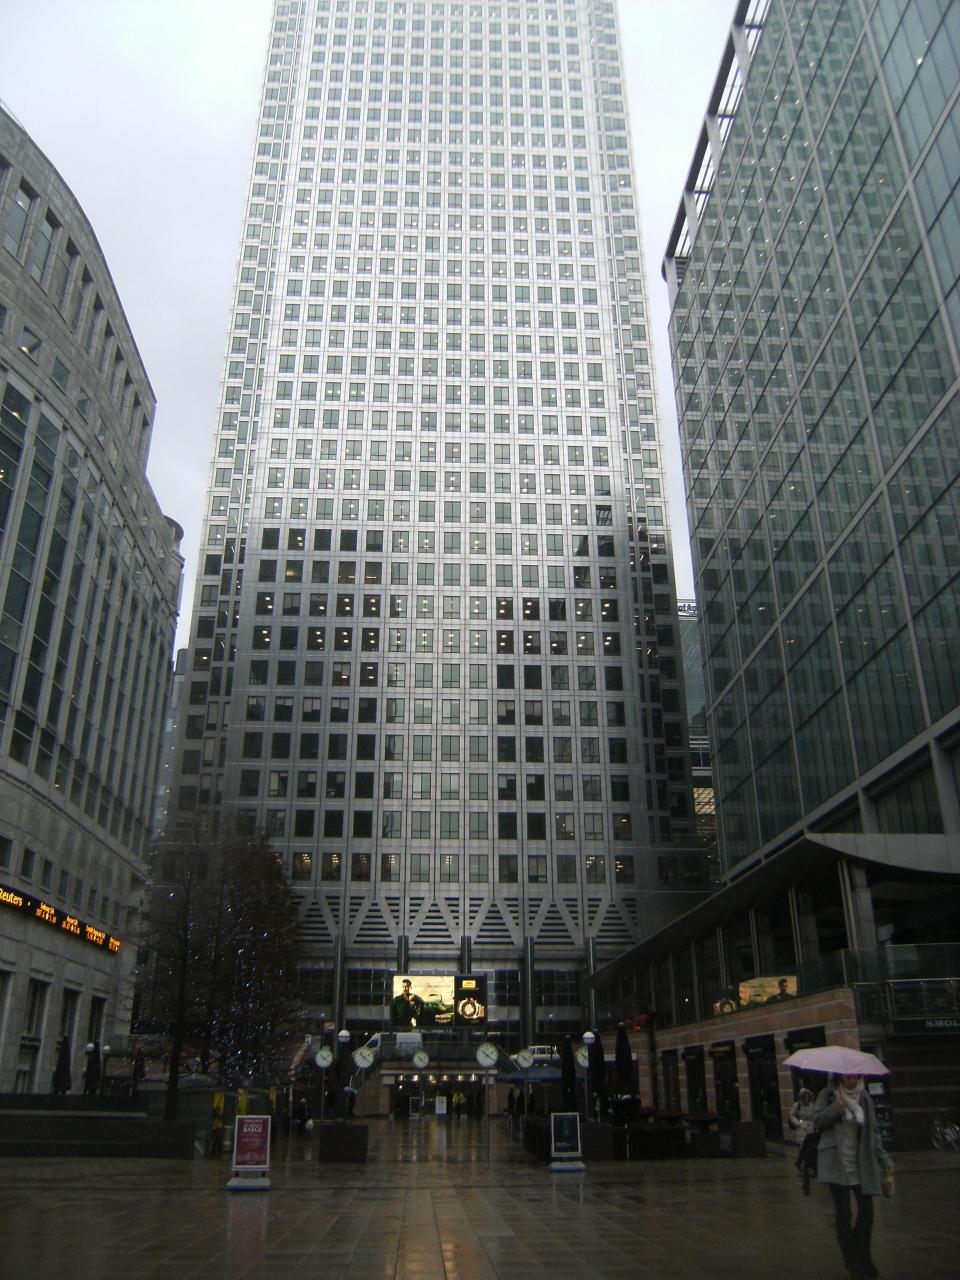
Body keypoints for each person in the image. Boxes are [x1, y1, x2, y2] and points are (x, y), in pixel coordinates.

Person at [811, 1074, 893, 1280]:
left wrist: (885, 1162)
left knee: (867, 1211)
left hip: (861, 1164)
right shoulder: (827, 1094)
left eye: (855, 1075)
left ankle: (863, 1255)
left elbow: (873, 1132)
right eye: (847, 1076)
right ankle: (853, 1262)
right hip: (835, 1162)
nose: (851, 1079)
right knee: (844, 1213)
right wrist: (836, 1107)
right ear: (840, 1076)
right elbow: (816, 1121)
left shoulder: (864, 1098)